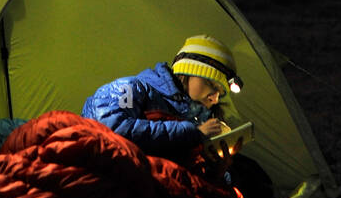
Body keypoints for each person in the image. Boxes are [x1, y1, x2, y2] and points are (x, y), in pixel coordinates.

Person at [80, 34, 244, 182]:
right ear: (187, 72)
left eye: (220, 93)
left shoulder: (193, 119)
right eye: (210, 84)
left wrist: (217, 171)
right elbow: (113, 130)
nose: (214, 98)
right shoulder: (130, 88)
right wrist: (194, 133)